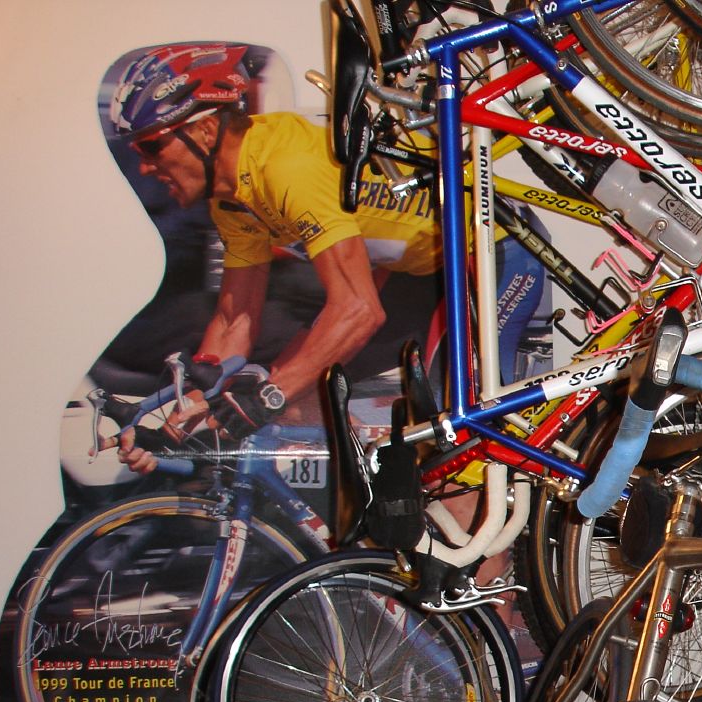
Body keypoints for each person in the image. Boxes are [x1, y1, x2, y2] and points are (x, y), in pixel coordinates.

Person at [108, 43, 547, 469]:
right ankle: (383, 490)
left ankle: (478, 526)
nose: (145, 167)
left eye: (152, 146)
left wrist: (269, 394)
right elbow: (233, 322)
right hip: (412, 269)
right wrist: (172, 427)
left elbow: (358, 310)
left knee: (457, 445)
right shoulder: (231, 197)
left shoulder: (284, 167)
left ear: (205, 129)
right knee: (296, 396)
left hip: (492, 249)